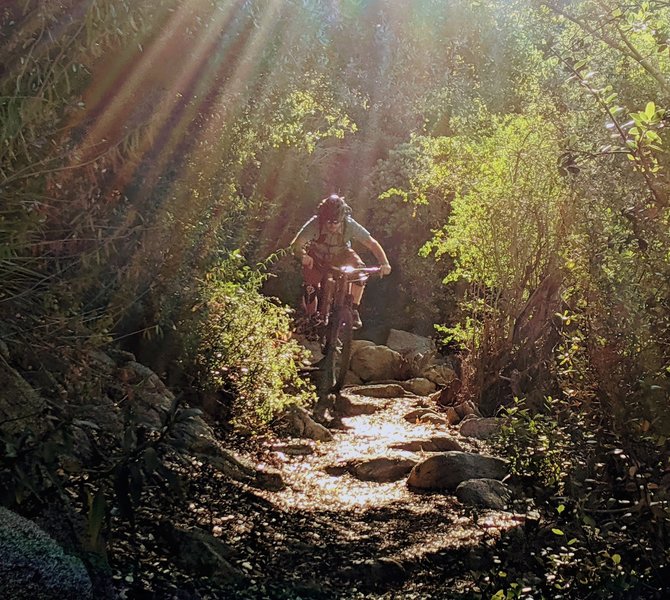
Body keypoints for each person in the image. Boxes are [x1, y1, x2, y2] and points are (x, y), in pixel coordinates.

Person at [290, 194, 391, 329]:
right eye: (328, 222)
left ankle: (353, 309)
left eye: (336, 222)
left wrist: (384, 263)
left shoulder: (349, 225)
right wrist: (303, 256)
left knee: (360, 272)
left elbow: (371, 243)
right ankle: (312, 319)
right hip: (317, 257)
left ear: (342, 218)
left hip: (341, 254)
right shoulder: (315, 223)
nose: (332, 225)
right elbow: (296, 244)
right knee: (310, 287)